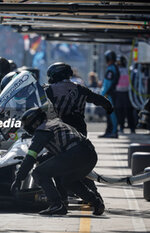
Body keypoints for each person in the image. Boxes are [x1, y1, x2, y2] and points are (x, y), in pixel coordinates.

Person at [11, 107, 105, 215]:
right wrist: (40, 159)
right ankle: (96, 202)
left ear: (34, 123)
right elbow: (60, 151)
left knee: (39, 173)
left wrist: (18, 180)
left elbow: (30, 157)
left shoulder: (42, 130)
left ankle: (56, 204)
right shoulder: (57, 123)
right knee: (68, 180)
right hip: (90, 154)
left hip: (75, 154)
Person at [44, 62, 113, 204]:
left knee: (57, 164)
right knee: (78, 166)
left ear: (55, 75)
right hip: (80, 132)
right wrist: (109, 108)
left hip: (62, 133)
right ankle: (94, 195)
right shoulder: (80, 89)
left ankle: (61, 199)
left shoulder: (49, 90)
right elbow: (100, 100)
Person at [99, 50, 119, 138]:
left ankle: (112, 131)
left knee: (111, 114)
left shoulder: (111, 69)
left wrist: (101, 95)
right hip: (112, 93)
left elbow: (107, 84)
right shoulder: (115, 67)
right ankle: (110, 131)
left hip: (109, 94)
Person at [115, 55, 136, 133]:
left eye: (119, 62)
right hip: (120, 93)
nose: (118, 63)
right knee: (120, 111)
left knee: (127, 111)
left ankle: (131, 128)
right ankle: (122, 127)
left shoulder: (128, 71)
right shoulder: (118, 70)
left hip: (126, 93)